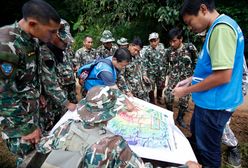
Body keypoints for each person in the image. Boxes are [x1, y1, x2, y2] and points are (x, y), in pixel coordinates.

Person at [37, 86, 202, 168]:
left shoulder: (67, 125)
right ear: (110, 113)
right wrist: (186, 166)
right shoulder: (114, 144)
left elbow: (43, 147)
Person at [173, 0, 244, 167]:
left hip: (215, 104)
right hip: (209, 101)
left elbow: (223, 76)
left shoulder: (221, 30)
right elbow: (214, 67)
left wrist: (186, 91)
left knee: (208, 151)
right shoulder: (219, 27)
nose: (190, 28)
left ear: (203, 9)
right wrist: (192, 79)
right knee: (198, 139)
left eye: (190, 22)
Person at [0, 0, 61, 166]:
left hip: (31, 111)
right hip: (17, 121)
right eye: (52, 31)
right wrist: (26, 128)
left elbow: (30, 74)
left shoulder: (32, 39)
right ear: (33, 24)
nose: (55, 36)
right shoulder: (6, 44)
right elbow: (4, 95)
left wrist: (39, 94)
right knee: (28, 159)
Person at [39, 19, 77, 133]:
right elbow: (50, 84)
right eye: (63, 41)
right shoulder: (45, 52)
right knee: (52, 130)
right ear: (54, 35)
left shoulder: (62, 49)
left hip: (64, 98)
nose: (65, 44)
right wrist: (67, 103)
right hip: (52, 104)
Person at [164, 28, 197, 128]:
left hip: (186, 78)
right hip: (173, 78)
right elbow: (166, 64)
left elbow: (196, 62)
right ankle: (170, 116)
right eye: (170, 41)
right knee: (168, 97)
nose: (172, 44)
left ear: (181, 39)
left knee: (184, 101)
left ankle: (180, 118)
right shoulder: (168, 51)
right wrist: (164, 77)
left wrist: (194, 76)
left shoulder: (190, 48)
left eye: (174, 41)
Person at [47, 19, 78, 104]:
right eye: (62, 41)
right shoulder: (46, 50)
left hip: (70, 81)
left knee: (74, 104)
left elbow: (71, 57)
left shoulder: (67, 46)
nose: (65, 43)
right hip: (59, 87)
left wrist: (74, 65)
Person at [117, 37, 151, 101]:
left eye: (138, 51)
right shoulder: (123, 57)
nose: (136, 52)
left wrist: (144, 75)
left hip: (141, 88)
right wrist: (127, 91)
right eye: (135, 50)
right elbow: (120, 76)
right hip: (131, 91)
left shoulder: (138, 56)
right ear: (130, 45)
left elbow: (142, 66)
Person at [143, 32, 167, 105]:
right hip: (151, 73)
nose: (153, 43)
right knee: (151, 87)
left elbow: (166, 59)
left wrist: (166, 70)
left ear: (158, 40)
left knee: (160, 85)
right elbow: (144, 62)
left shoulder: (162, 47)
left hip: (161, 72)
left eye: (155, 40)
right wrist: (145, 73)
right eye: (151, 41)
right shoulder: (147, 50)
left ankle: (159, 97)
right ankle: (152, 100)